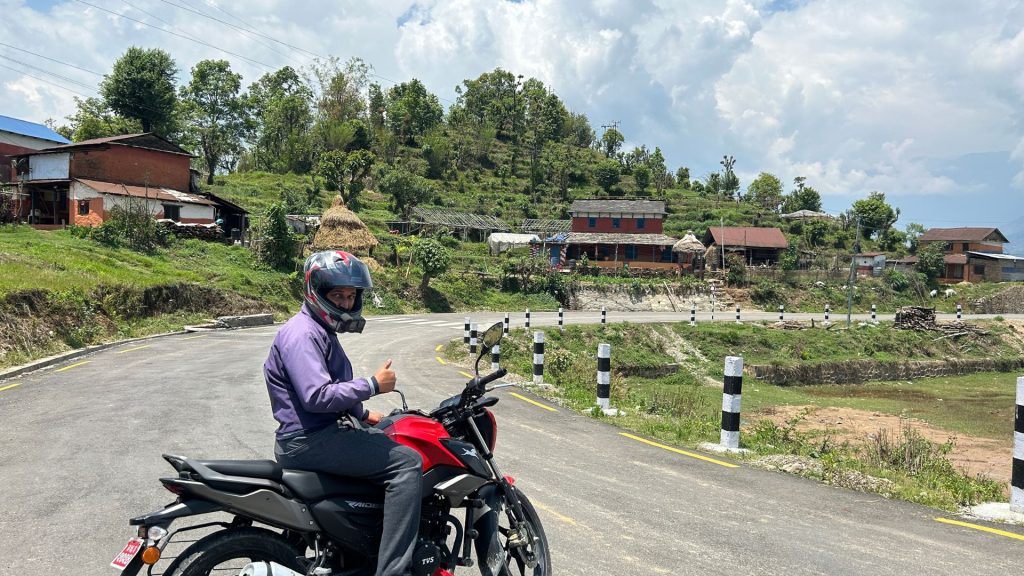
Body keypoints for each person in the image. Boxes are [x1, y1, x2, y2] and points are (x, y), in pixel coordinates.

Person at [264, 250, 422, 576]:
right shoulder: (303, 333)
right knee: (408, 464)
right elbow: (317, 396)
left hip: (313, 436)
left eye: (351, 295)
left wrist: (363, 415)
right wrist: (373, 384)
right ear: (316, 293)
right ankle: (394, 571)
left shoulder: (320, 331)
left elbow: (332, 383)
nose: (347, 304)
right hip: (312, 440)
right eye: (338, 295)